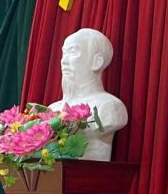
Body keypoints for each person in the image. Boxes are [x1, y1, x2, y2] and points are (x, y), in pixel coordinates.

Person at [48, 28, 128, 161]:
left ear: (97, 61)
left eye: (73, 52)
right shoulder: (52, 109)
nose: (64, 61)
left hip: (89, 172)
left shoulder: (109, 106)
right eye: (64, 53)